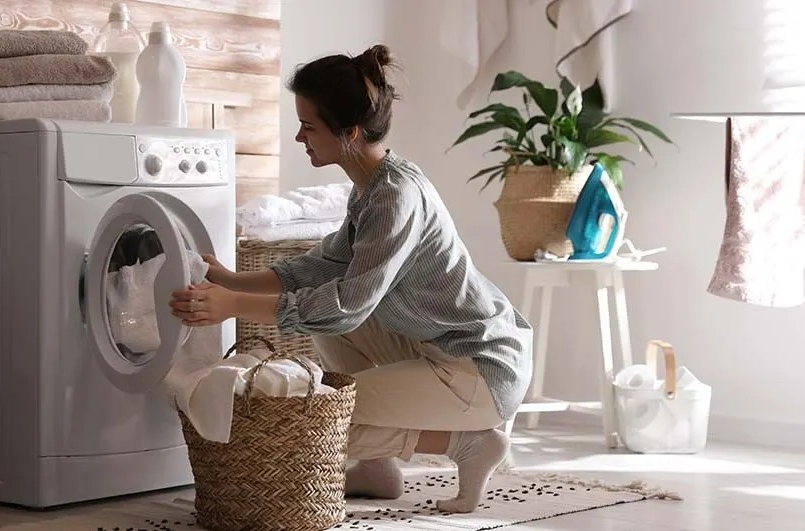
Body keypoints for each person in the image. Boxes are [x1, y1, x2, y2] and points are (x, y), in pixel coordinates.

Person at [169, 44, 533, 514]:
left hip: (480, 366)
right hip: (442, 347)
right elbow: (320, 269)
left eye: (309, 125)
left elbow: (346, 305)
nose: (301, 136)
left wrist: (232, 305)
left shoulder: (394, 197)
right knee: (329, 321)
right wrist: (233, 280)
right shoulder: (371, 187)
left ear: (350, 132)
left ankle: (470, 444)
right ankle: (377, 469)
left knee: (322, 415)